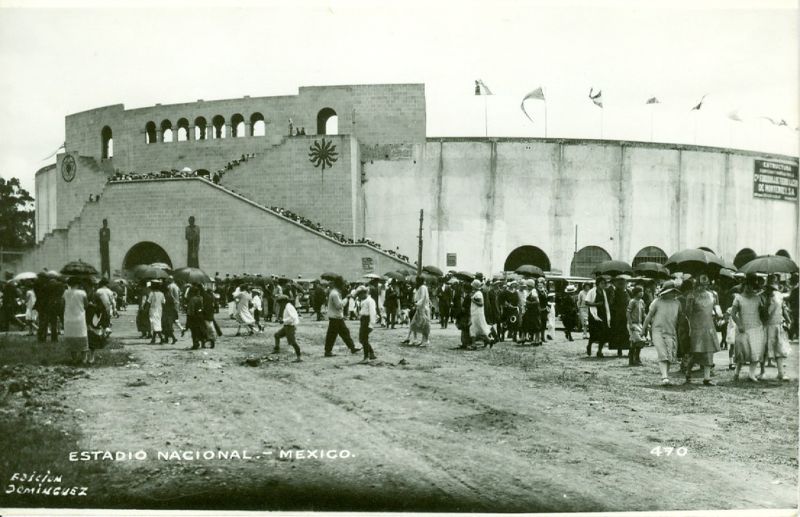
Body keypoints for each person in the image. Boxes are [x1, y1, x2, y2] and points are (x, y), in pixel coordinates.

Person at [684, 273, 721, 385]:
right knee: (695, 352)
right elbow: (687, 312)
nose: (704, 286)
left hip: (709, 325)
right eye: (701, 284)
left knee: (709, 351)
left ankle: (707, 378)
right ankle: (688, 372)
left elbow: (717, 308)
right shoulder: (691, 295)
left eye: (706, 283)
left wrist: (719, 315)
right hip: (696, 326)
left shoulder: (713, 294)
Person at [643, 281, 682, 385]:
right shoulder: (657, 302)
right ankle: (664, 377)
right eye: (670, 291)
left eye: (673, 292)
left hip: (671, 332)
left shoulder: (677, 303)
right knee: (662, 353)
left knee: (669, 356)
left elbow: (679, 318)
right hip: (658, 331)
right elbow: (649, 316)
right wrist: (643, 329)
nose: (672, 293)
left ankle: (666, 376)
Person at [324, 278, 360, 356]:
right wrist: (347, 298)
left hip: (336, 317)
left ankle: (352, 347)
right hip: (335, 317)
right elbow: (339, 306)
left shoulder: (335, 293)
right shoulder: (335, 294)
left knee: (342, 333)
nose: (344, 286)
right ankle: (328, 351)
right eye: (343, 284)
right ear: (339, 285)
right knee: (334, 335)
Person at [63, 276, 89, 364]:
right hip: (80, 318)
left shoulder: (66, 292)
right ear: (78, 284)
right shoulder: (82, 293)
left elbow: (63, 304)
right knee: (82, 337)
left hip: (68, 318)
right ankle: (84, 358)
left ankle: (74, 358)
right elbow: (86, 305)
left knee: (71, 337)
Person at [585, 277, 611, 357]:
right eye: (602, 283)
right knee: (594, 333)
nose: (603, 285)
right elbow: (587, 302)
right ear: (598, 283)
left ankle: (599, 351)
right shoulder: (592, 291)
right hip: (594, 314)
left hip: (603, 314)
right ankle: (589, 345)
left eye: (604, 283)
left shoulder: (604, 292)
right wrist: (596, 304)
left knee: (603, 332)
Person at [273, 294, 302, 362]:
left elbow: (293, 318)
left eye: (280, 303)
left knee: (292, 342)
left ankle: (299, 357)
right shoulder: (287, 306)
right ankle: (277, 349)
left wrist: (283, 320)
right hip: (286, 326)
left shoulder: (289, 307)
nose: (280, 304)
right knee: (276, 335)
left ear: (284, 301)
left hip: (290, 327)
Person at [403, 277, 431, 346]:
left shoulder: (423, 287)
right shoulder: (420, 288)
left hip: (423, 308)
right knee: (415, 323)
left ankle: (425, 340)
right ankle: (421, 340)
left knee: (424, 324)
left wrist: (417, 303)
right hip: (420, 308)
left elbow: (423, 297)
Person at [609, 276, 630, 357]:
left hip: (626, 315)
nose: (622, 285)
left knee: (627, 333)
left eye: (624, 283)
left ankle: (629, 349)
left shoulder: (628, 292)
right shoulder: (614, 292)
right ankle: (619, 349)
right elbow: (611, 303)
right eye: (620, 284)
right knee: (618, 333)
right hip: (617, 316)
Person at [626, 286, 647, 366]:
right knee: (636, 341)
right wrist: (630, 324)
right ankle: (632, 359)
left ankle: (636, 359)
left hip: (639, 324)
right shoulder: (632, 301)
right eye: (640, 291)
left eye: (642, 291)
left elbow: (643, 313)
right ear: (635, 293)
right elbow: (628, 313)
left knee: (639, 342)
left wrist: (647, 323)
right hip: (633, 324)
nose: (642, 293)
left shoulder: (641, 301)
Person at [357, 286, 378, 362]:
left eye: (360, 294)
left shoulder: (370, 301)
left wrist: (371, 324)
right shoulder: (364, 300)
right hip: (363, 320)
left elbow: (373, 313)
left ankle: (366, 357)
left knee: (364, 339)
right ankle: (371, 353)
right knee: (362, 339)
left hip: (367, 320)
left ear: (364, 293)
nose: (359, 296)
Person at [469, 279, 492, 347]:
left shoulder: (478, 294)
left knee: (475, 327)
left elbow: (481, 303)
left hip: (477, 313)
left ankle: (474, 344)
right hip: (475, 312)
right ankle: (489, 340)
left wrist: (473, 300)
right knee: (477, 328)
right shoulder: (477, 293)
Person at [185, 284, 207, 350]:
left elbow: (191, 310)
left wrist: (188, 317)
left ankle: (195, 344)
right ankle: (203, 343)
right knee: (201, 330)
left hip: (194, 317)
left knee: (194, 331)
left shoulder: (192, 299)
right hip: (200, 316)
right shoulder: (201, 298)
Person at [520, 280, 541, 345]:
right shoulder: (529, 292)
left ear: (530, 286)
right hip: (530, 310)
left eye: (528, 286)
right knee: (525, 323)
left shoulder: (533, 292)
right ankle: (523, 337)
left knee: (535, 325)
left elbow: (537, 302)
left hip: (534, 311)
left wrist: (529, 303)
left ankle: (537, 340)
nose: (527, 287)